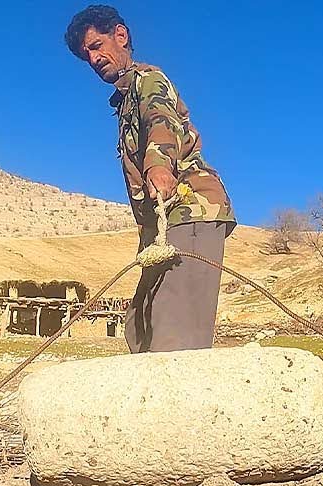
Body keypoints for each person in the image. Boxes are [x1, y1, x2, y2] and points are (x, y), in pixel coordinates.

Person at [65, 5, 236, 353]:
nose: (93, 59)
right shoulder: (125, 98)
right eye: (86, 56)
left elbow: (161, 120)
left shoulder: (149, 81)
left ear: (120, 35)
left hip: (190, 211)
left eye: (96, 46)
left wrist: (157, 166)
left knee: (174, 334)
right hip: (164, 224)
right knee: (138, 327)